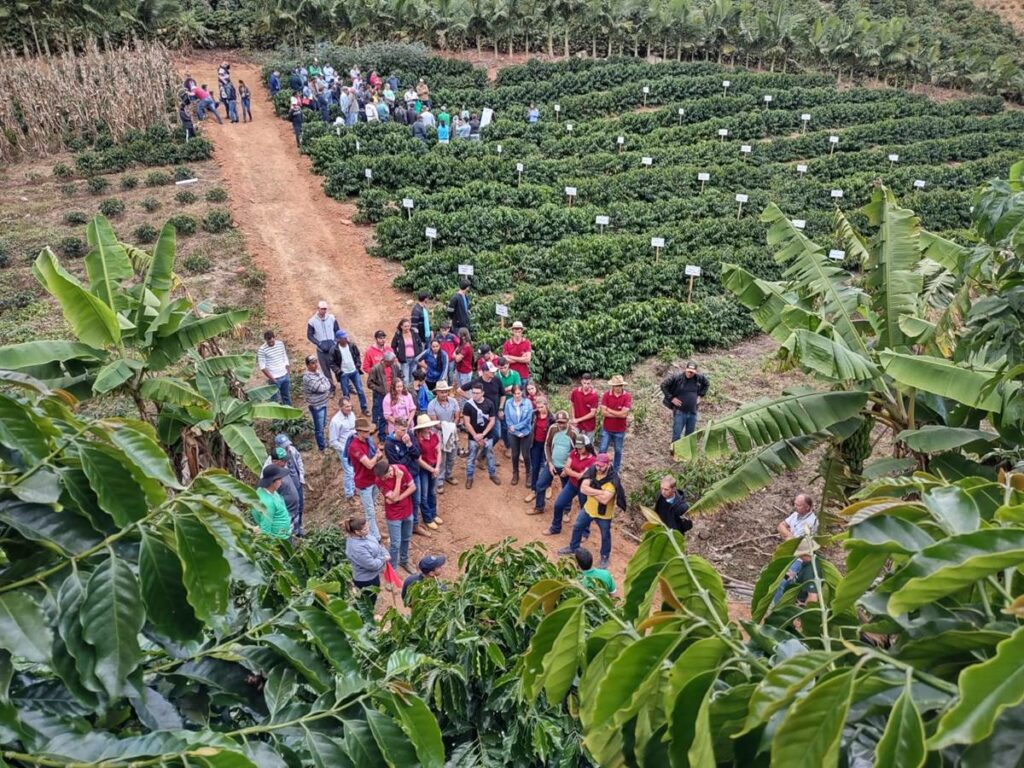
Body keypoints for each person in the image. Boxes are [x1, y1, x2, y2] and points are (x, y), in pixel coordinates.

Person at [558, 453, 626, 569]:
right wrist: (600, 492)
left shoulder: (614, 479)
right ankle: (573, 547)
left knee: (605, 536)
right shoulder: (593, 470)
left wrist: (591, 490)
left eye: (601, 466)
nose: (599, 469)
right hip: (588, 508)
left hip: (604, 514)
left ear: (608, 464)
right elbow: (583, 489)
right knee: (578, 526)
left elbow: (605, 500)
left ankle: (604, 556)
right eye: (597, 466)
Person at [385, 418, 429, 536]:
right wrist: (409, 456)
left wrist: (409, 445)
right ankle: (405, 527)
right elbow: (397, 464)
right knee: (403, 502)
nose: (404, 433)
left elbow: (417, 454)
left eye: (406, 429)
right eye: (401, 430)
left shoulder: (409, 436)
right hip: (401, 478)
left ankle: (415, 525)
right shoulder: (389, 444)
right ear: (395, 428)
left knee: (417, 500)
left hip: (414, 474)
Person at [546, 434, 596, 535]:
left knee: (585, 510)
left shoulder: (593, 460)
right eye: (577, 447)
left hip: (584, 488)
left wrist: (573, 472)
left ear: (587, 446)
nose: (578, 449)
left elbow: (586, 476)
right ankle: (555, 527)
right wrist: (578, 474)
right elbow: (567, 468)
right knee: (559, 504)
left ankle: (585, 533)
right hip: (572, 484)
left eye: (581, 447)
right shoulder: (574, 453)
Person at [530, 410, 578, 515]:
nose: (560, 424)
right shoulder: (553, 429)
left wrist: (568, 468)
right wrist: (550, 463)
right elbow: (547, 445)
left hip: (566, 467)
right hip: (552, 464)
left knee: (567, 490)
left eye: (563, 422)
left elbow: (577, 453)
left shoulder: (573, 433)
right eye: (559, 422)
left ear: (568, 421)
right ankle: (539, 507)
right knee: (540, 484)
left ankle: (566, 512)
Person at [374, 459, 415, 572]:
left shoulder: (402, 468)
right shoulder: (379, 480)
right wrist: (398, 479)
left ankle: (404, 561)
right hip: (393, 515)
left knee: (406, 538)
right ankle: (392, 570)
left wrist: (398, 499)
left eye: (384, 476)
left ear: (389, 470)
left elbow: (413, 487)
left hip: (407, 510)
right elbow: (393, 496)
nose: (382, 479)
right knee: (395, 544)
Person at [344, 514, 390, 616]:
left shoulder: (364, 536)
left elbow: (378, 544)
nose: (368, 529)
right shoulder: (356, 548)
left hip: (373, 576)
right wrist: (383, 558)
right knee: (368, 603)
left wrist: (384, 552)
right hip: (366, 580)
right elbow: (372, 565)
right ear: (357, 532)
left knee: (371, 599)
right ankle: (366, 620)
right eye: (365, 529)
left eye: (367, 526)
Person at [347, 416, 384, 541]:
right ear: (358, 431)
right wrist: (377, 456)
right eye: (365, 431)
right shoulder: (354, 446)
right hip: (364, 483)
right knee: (370, 511)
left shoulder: (369, 442)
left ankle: (374, 531)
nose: (368, 433)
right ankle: (376, 537)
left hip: (373, 480)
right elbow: (368, 464)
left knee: (372, 507)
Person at [662, 361, 710, 444]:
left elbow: (707, 384)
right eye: (688, 371)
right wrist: (672, 398)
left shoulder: (699, 378)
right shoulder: (677, 378)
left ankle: (686, 453)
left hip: (693, 411)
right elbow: (663, 385)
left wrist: (700, 395)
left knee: (690, 435)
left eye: (692, 372)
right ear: (685, 370)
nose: (690, 373)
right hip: (680, 411)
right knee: (677, 434)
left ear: (695, 372)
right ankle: (675, 452)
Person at [463, 382, 500, 488]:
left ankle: (492, 474)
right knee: (471, 457)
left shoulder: (489, 403)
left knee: (490, 455)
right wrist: (475, 436)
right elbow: (467, 422)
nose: (475, 395)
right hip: (473, 437)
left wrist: (482, 435)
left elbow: (492, 421)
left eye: (477, 393)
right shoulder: (468, 405)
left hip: (487, 435)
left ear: (482, 393)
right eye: (473, 393)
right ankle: (469, 478)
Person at [427, 381, 459, 491]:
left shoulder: (454, 401)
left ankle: (448, 475)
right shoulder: (432, 405)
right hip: (438, 434)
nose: (444, 394)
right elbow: (435, 422)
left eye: (446, 392)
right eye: (442, 392)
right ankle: (439, 480)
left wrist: (452, 426)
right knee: (441, 457)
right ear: (437, 393)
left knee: (452, 456)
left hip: (452, 432)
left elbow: (457, 416)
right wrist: (447, 428)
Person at [413, 414, 443, 530]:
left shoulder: (434, 435)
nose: (428, 428)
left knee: (432, 492)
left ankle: (433, 513)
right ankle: (427, 518)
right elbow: (418, 459)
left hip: (434, 465)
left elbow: (438, 451)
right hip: (423, 469)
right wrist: (432, 469)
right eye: (426, 427)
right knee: (424, 494)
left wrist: (437, 467)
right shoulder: (417, 440)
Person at [772, 537, 822, 606]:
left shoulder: (810, 572)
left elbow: (813, 598)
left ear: (804, 554)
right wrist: (795, 575)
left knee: (779, 587)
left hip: (799, 600)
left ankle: (779, 608)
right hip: (798, 585)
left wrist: (801, 610)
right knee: (781, 581)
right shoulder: (814, 558)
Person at [329, 330, 368, 414]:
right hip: (344, 374)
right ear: (338, 340)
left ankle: (364, 408)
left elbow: (357, 355)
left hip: (354, 371)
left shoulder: (352, 345)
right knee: (346, 393)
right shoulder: (334, 349)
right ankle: (348, 410)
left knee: (360, 390)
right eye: (343, 338)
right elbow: (332, 363)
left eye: (346, 337)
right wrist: (339, 372)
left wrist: (357, 366)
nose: (346, 339)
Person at [599, 375, 631, 474]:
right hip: (607, 429)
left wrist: (609, 410)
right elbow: (603, 413)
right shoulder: (606, 395)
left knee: (618, 451)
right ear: (612, 386)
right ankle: (599, 467)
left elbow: (624, 414)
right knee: (602, 449)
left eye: (620, 385)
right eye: (616, 386)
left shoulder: (627, 396)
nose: (618, 388)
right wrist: (618, 413)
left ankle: (616, 471)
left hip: (620, 429)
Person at [265, 446, 301, 536]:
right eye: (283, 461)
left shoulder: (282, 469)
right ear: (275, 462)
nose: (285, 462)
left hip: (292, 512)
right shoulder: (272, 475)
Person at [368, 351, 403, 439]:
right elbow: (369, 383)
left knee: (394, 413)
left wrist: (399, 386)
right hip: (381, 395)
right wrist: (380, 389)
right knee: (382, 415)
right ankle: (382, 437)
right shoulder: (375, 369)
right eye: (391, 362)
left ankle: (392, 432)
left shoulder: (394, 366)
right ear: (385, 361)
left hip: (393, 394)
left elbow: (400, 376)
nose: (393, 363)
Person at [308, 300, 340, 395]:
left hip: (333, 348)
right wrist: (318, 343)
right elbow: (309, 335)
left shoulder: (331, 318)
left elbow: (337, 330)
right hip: (322, 350)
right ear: (318, 309)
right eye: (321, 309)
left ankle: (347, 385)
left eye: (325, 309)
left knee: (339, 366)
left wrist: (335, 341)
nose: (323, 311)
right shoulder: (312, 321)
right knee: (326, 370)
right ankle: (331, 388)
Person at [504, 384, 534, 486]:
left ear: (522, 392)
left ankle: (528, 474)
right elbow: (507, 418)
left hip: (526, 432)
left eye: (519, 393)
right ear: (512, 394)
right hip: (512, 433)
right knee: (515, 454)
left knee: (526, 455)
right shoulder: (508, 403)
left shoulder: (528, 403)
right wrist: (515, 431)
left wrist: (517, 428)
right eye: (515, 393)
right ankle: (515, 473)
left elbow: (528, 420)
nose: (517, 395)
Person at [252, 465, 292, 539]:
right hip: (279, 541)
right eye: (279, 479)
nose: (282, 481)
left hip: (284, 535)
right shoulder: (267, 503)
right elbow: (265, 530)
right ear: (272, 482)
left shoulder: (270, 491)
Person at [329, 398, 357, 498]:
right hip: (344, 449)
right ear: (341, 407)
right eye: (346, 406)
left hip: (354, 447)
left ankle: (355, 488)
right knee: (349, 472)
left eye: (350, 406)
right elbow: (333, 441)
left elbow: (354, 429)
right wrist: (344, 449)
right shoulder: (335, 421)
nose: (349, 408)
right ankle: (349, 494)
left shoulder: (352, 415)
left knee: (355, 469)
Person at [472, 363, 506, 448]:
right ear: (485, 372)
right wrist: (474, 399)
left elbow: (503, 394)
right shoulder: (478, 381)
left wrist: (501, 408)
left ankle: (483, 452)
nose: (494, 373)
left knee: (497, 435)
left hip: (494, 412)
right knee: (483, 434)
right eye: (491, 371)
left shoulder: (497, 380)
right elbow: (460, 390)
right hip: (481, 414)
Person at [302, 355, 331, 451]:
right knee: (319, 428)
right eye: (312, 363)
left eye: (316, 362)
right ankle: (322, 447)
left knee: (323, 425)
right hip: (317, 406)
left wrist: (325, 385)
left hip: (323, 402)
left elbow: (328, 383)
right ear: (307, 365)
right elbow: (321, 388)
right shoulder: (308, 378)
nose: (315, 365)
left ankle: (324, 443)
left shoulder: (318, 372)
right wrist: (325, 385)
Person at [526, 397, 551, 501]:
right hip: (535, 444)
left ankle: (548, 486)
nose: (540, 409)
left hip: (546, 446)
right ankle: (534, 490)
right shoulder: (534, 414)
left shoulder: (551, 418)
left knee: (547, 467)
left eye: (542, 407)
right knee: (535, 467)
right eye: (538, 407)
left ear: (546, 405)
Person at [257, 330, 290, 405]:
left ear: (274, 338)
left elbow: (284, 357)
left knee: (286, 397)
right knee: (274, 400)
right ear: (265, 340)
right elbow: (262, 367)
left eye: (272, 340)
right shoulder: (262, 349)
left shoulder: (280, 344)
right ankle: (277, 417)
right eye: (269, 341)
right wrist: (273, 379)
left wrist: (288, 372)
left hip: (284, 375)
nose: (271, 343)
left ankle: (290, 415)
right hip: (274, 378)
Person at [391, 317, 423, 384]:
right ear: (401, 326)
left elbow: (420, 344)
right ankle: (406, 392)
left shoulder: (414, 333)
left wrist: (419, 354)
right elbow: (393, 346)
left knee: (413, 377)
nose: (407, 328)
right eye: (405, 326)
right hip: (404, 360)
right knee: (405, 379)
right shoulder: (398, 335)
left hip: (415, 359)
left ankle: (412, 393)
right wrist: (398, 355)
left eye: (408, 326)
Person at [502, 321, 533, 387]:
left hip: (523, 375)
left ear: (522, 331)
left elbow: (528, 359)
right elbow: (506, 360)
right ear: (512, 331)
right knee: (512, 395)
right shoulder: (507, 344)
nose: (517, 331)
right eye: (515, 329)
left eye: (519, 329)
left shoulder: (526, 342)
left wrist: (510, 356)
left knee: (523, 396)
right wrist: (522, 358)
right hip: (511, 375)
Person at [570, 373, 599, 441]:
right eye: (584, 383)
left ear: (591, 382)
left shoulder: (594, 396)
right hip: (577, 425)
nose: (586, 385)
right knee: (576, 444)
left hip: (589, 426)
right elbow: (572, 405)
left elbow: (592, 413)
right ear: (581, 382)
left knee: (588, 446)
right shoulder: (575, 392)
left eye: (588, 383)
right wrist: (573, 418)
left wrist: (578, 419)